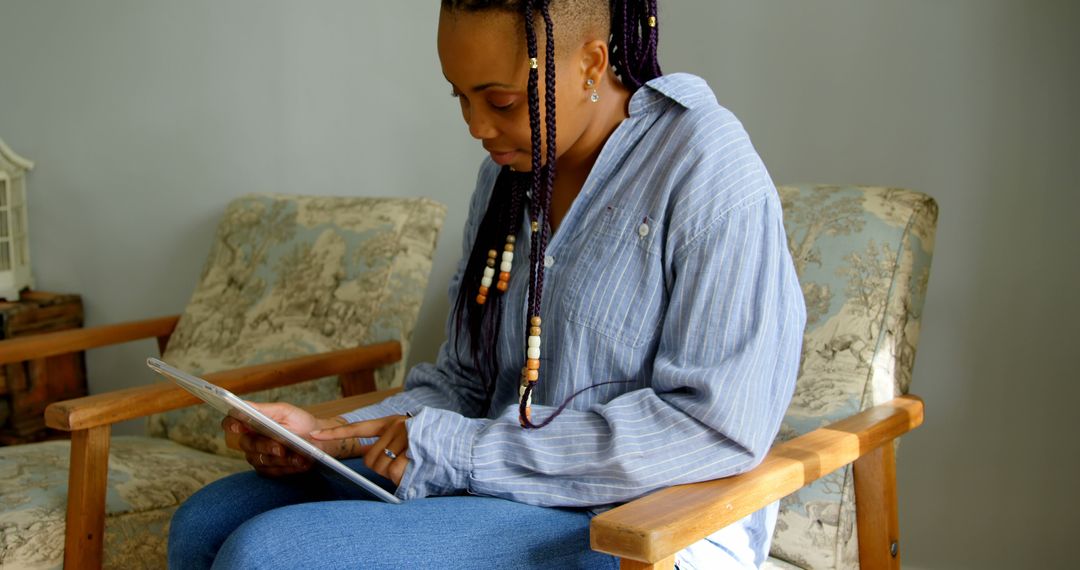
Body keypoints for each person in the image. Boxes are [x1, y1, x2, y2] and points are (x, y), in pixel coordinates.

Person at [167, 1, 806, 568]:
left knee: (269, 556)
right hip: (503, 478)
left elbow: (714, 429)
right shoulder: (508, 180)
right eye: (460, 97)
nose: (476, 126)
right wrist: (330, 435)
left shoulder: (704, 164)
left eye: (500, 100)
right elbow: (464, 384)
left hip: (638, 517)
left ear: (592, 61)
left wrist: (463, 453)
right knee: (206, 522)